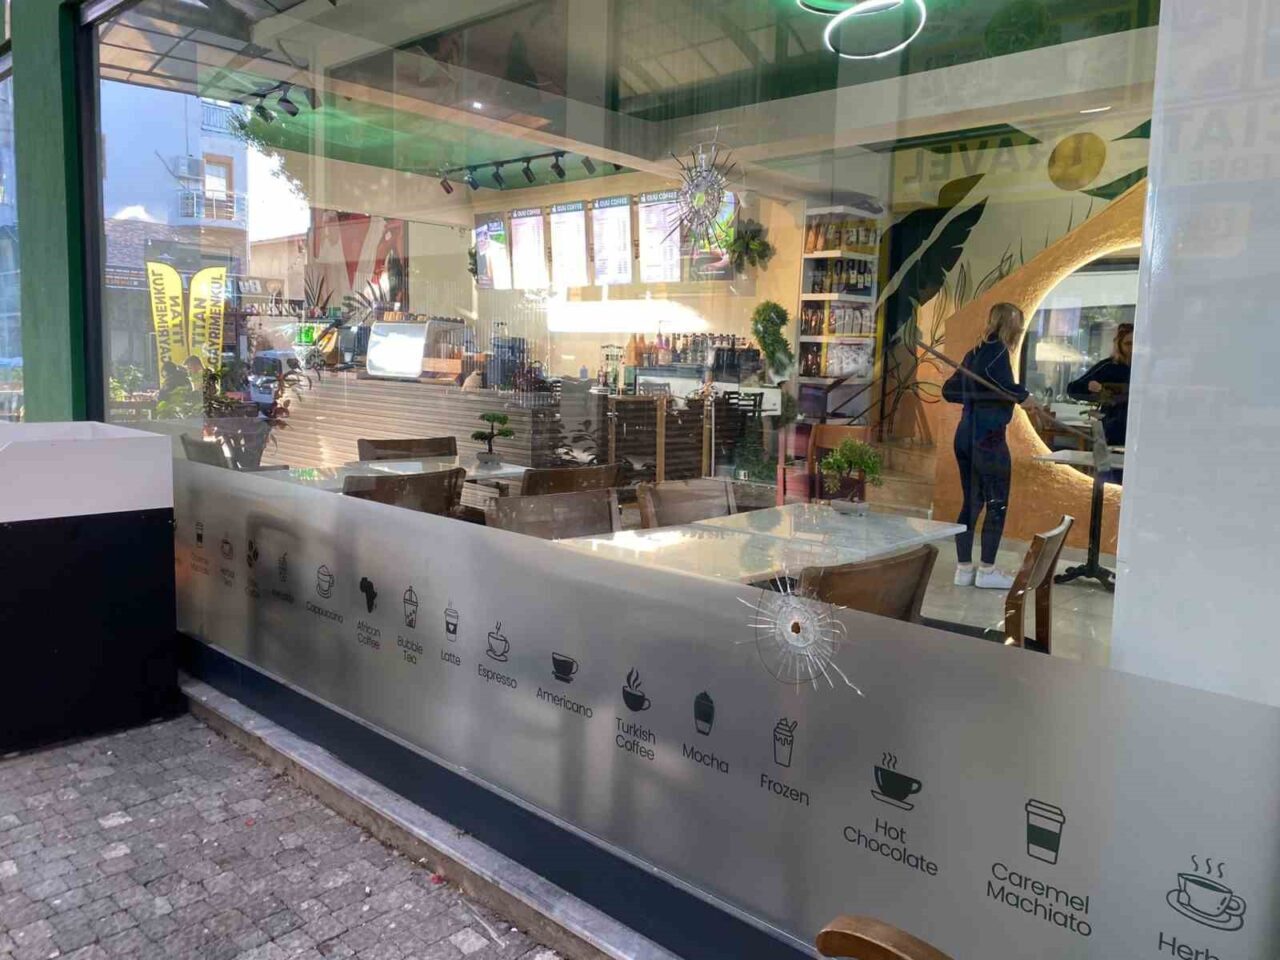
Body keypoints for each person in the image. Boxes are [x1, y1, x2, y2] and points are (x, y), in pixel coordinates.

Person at [943, 302, 1038, 590]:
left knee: (971, 502)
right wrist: (1022, 395)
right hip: (988, 438)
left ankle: (963, 569)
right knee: (997, 503)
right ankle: (986, 570)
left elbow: (950, 389)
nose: (1020, 330)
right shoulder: (997, 350)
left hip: (965, 435)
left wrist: (977, 394)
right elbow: (994, 379)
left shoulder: (974, 353)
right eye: (1019, 325)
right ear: (1011, 325)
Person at [1067, 322, 1133, 446]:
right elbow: (1073, 389)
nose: (1132, 348)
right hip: (1113, 433)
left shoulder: (1150, 368)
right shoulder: (1108, 367)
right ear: (1119, 345)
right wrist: (1092, 388)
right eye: (1128, 344)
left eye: (1136, 344)